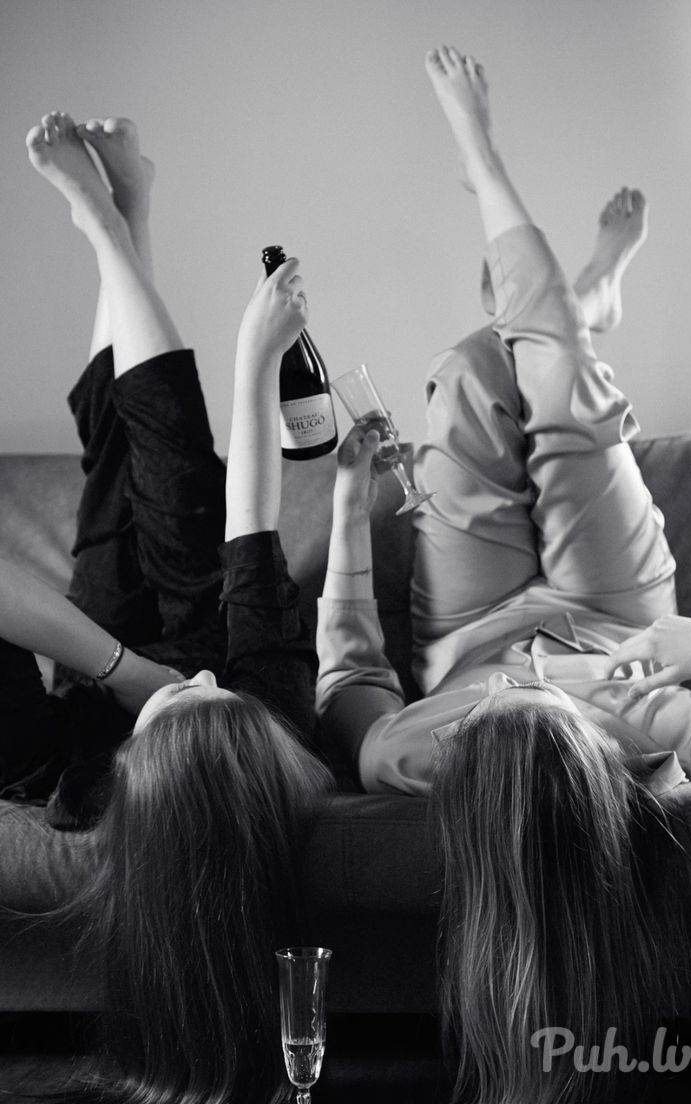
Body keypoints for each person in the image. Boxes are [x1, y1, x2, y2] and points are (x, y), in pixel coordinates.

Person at [316, 46, 691, 1104]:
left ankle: (577, 307)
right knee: (565, 391)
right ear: (584, 769)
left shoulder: (410, 756)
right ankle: (530, 235)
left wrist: (349, 509)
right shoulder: (657, 734)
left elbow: (350, 672)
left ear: (480, 783)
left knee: (468, 375)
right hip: (617, 616)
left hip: (471, 627)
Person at [17, 110, 332, 1104]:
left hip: (100, 643)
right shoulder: (272, 731)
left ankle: (125, 219)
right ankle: (109, 224)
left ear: (136, 779)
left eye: (183, 699)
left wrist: (123, 672)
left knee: (113, 463)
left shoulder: (86, 783)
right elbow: (252, 542)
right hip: (208, 596)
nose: (196, 681)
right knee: (178, 483)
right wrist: (254, 356)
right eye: (212, 693)